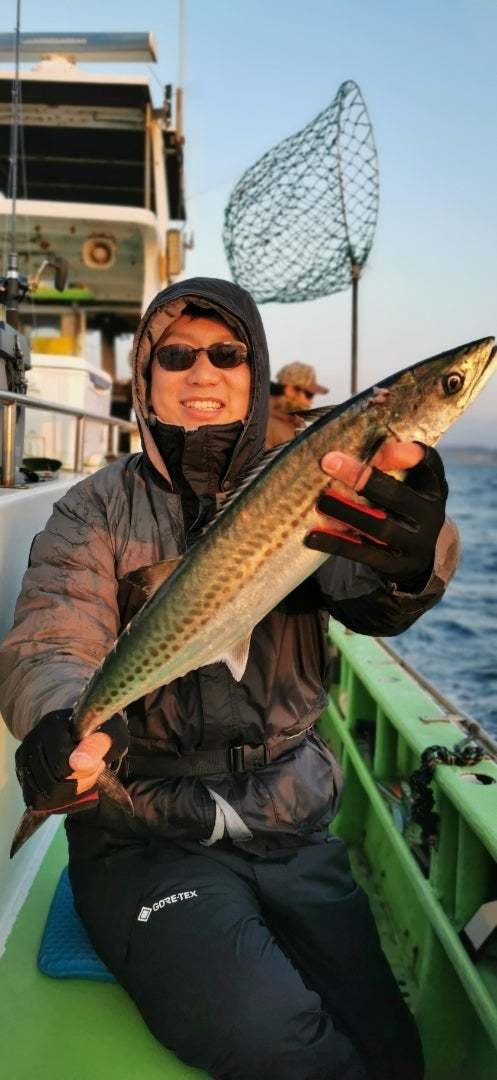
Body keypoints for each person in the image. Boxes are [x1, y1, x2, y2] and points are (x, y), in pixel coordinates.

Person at [0, 277, 458, 1080]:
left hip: (290, 824)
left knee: (391, 1049)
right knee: (281, 1044)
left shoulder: (314, 480)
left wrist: (413, 559)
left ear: (256, 373)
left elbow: (371, 598)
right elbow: (52, 636)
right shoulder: (95, 510)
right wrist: (60, 718)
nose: (202, 372)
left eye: (226, 354)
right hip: (142, 836)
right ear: (144, 379)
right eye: (176, 356)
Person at [266, 361, 329, 448]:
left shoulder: (298, 423)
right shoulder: (263, 426)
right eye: (309, 395)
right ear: (290, 390)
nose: (310, 402)